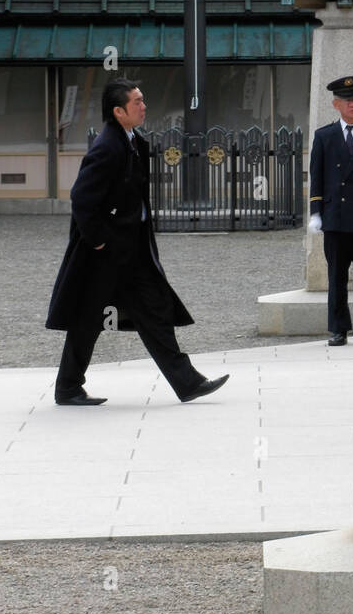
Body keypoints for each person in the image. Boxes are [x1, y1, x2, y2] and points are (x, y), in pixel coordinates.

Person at [46, 78, 229, 406]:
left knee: (154, 310)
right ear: (119, 111)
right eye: (137, 103)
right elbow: (81, 199)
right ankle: (68, 387)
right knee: (89, 318)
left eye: (143, 100)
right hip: (106, 255)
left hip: (132, 251)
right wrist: (101, 242)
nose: (144, 107)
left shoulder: (131, 140)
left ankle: (187, 382)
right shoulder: (107, 146)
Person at [308, 75, 353, 347]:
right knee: (336, 278)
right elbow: (317, 176)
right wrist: (316, 211)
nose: (352, 104)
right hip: (336, 219)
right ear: (336, 104)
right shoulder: (324, 136)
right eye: (347, 101)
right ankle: (338, 329)